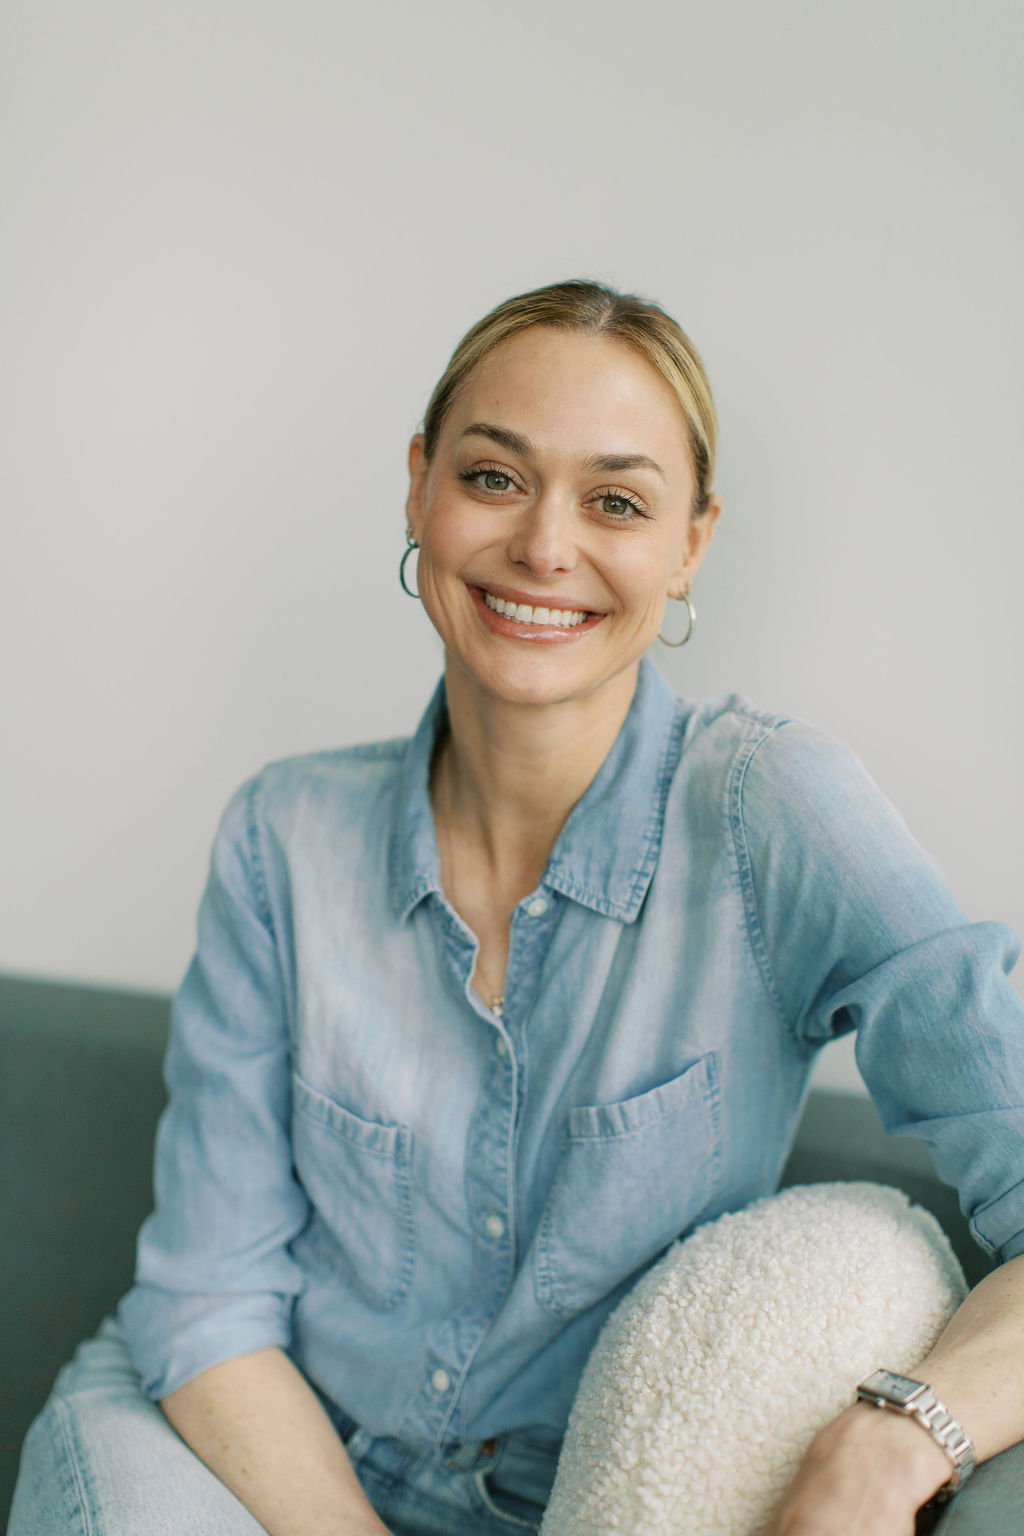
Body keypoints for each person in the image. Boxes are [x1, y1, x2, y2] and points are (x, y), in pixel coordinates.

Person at [10, 279, 1024, 1536]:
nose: (546, 547)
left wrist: (896, 1439)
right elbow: (203, 1305)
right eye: (494, 477)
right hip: (240, 1453)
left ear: (691, 542)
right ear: (420, 485)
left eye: (616, 501)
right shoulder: (281, 836)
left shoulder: (772, 811)